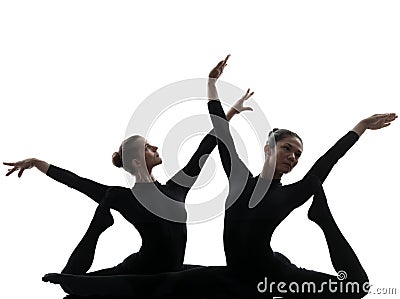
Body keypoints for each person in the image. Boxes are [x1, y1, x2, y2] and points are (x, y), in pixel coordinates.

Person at [207, 55, 397, 298]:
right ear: (268, 148)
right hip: (236, 276)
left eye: (297, 155)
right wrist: (211, 84)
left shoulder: (290, 194)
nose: (293, 158)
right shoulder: (239, 178)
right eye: (287, 148)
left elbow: (328, 160)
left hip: (271, 277)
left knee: (357, 286)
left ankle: (323, 219)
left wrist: (360, 127)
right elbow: (222, 132)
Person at [3, 95, 251, 279]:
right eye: (148, 147)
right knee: (77, 284)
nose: (155, 148)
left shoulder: (177, 187)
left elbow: (205, 147)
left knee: (226, 279)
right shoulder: (123, 197)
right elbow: (77, 182)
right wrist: (38, 163)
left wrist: (228, 115)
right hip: (140, 274)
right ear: (136, 161)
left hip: (173, 275)